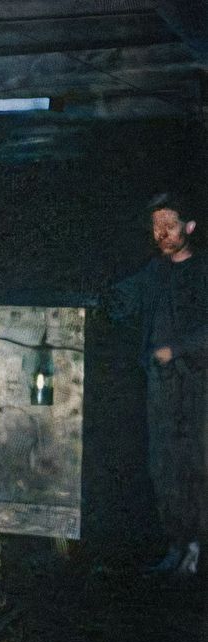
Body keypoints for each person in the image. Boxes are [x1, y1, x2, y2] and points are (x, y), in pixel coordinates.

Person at [106, 192, 207, 575]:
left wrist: (175, 349)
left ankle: (197, 549)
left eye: (170, 224)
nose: (162, 233)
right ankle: (176, 544)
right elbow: (123, 298)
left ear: (189, 227)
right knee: (163, 466)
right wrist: (100, 300)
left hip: (199, 387)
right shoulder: (154, 271)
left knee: (196, 465)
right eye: (156, 226)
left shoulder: (203, 271)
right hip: (161, 388)